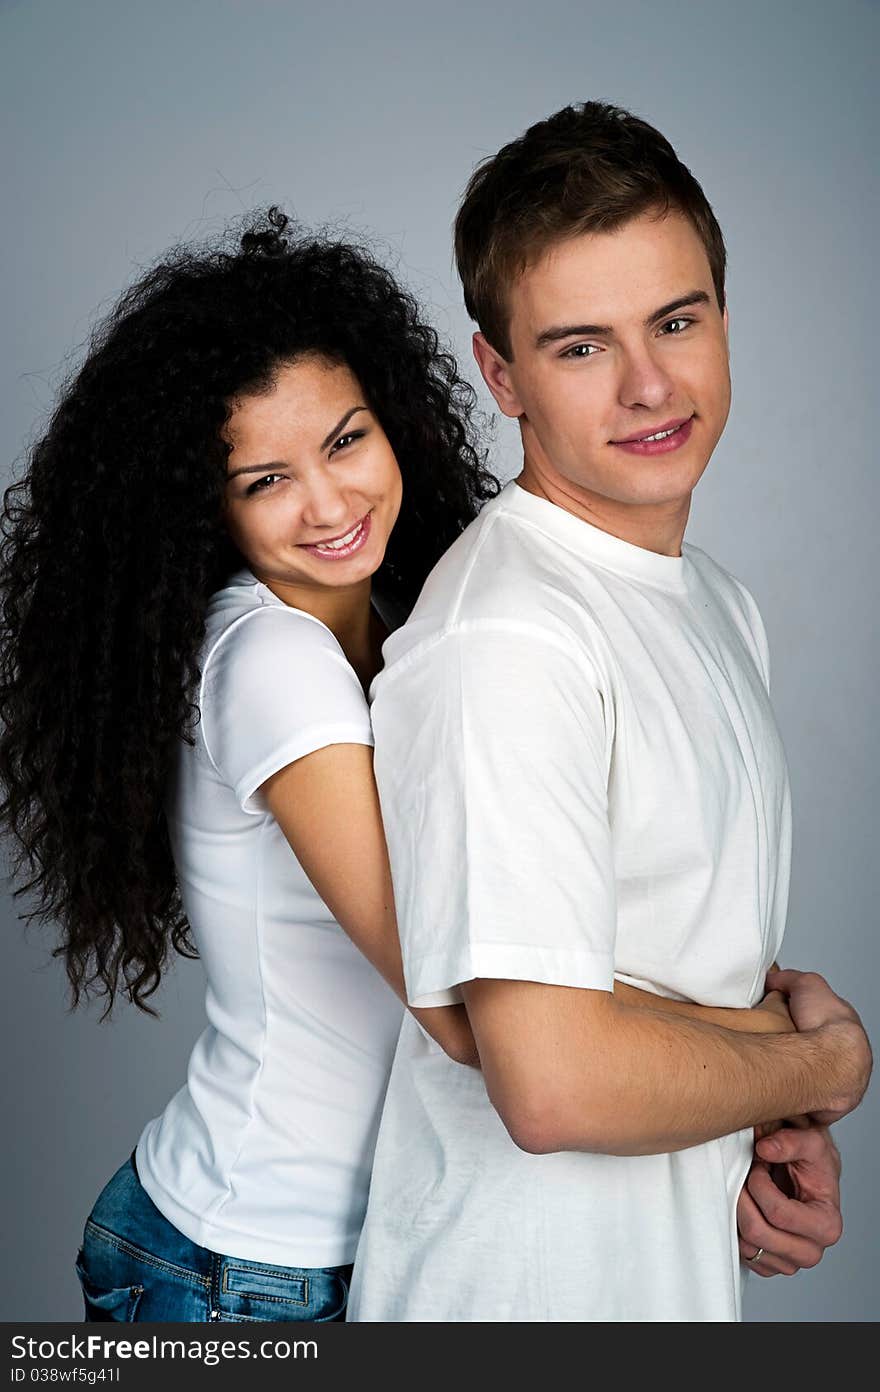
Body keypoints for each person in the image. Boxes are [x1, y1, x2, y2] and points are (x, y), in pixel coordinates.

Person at [347, 102, 872, 1322]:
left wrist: (764, 1125)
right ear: (501, 376)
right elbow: (555, 1084)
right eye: (580, 346)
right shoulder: (506, 636)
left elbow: (668, 971)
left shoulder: (716, 604)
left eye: (676, 322)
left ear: (724, 320)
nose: (649, 385)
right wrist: (825, 1065)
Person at [0, 209, 495, 1322]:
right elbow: (462, 1009)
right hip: (245, 1267)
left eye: (345, 439)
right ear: (207, 506)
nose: (328, 503)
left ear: (396, 422)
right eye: (265, 479)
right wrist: (764, 1055)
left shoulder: (395, 617)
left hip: (343, 1242)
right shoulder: (272, 659)